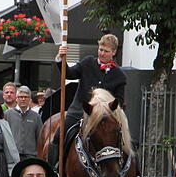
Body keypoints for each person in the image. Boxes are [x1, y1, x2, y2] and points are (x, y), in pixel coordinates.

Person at [51, 35, 126, 167]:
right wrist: (60, 58)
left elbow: (119, 101)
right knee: (59, 135)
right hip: (79, 110)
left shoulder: (120, 75)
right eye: (100, 49)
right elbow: (69, 74)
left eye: (106, 51)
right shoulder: (87, 62)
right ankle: (53, 168)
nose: (102, 53)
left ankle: (135, 175)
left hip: (104, 117)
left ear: (114, 52)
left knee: (125, 139)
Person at [5, 86, 42, 160]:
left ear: (30, 99)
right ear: (16, 98)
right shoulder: (7, 114)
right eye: (20, 97)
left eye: (26, 97)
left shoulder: (36, 117)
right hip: (12, 156)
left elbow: (40, 138)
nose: (23, 99)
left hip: (30, 156)